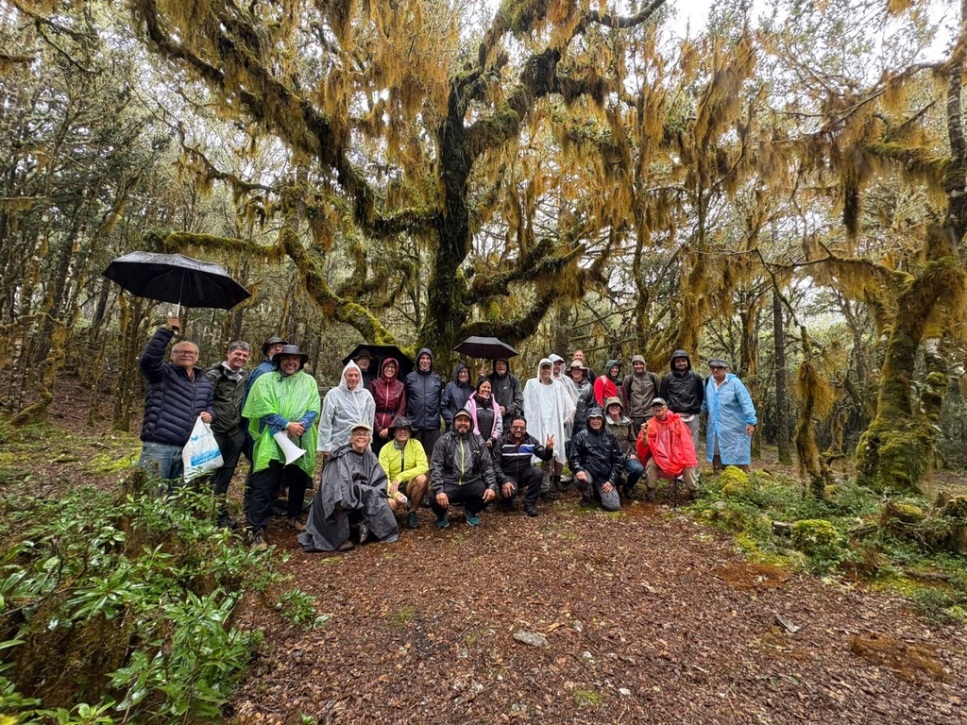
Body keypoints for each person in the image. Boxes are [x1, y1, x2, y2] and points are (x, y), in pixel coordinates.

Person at [242, 344, 320, 549]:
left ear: (300, 362)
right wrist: (286, 425)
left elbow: (314, 407)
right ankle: (256, 529)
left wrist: (300, 426)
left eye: (295, 359)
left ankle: (293, 515)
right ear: (278, 360)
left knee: (298, 480)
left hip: (301, 437)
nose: (291, 362)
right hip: (272, 438)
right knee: (265, 483)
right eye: (286, 358)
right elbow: (262, 408)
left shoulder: (308, 381)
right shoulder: (265, 380)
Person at [137, 316, 215, 487]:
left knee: (177, 500)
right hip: (159, 447)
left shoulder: (204, 383)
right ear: (172, 356)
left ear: (197, 357)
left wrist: (210, 414)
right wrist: (167, 332)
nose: (186, 354)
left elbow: (210, 404)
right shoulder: (162, 374)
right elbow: (148, 361)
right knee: (149, 496)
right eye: (181, 351)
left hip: (189, 449)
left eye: (191, 352)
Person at [299, 423, 400, 552]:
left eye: (364, 434)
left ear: (369, 439)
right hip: (339, 496)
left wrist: (365, 491)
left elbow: (378, 480)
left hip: (361, 495)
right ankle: (338, 539)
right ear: (351, 438)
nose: (361, 437)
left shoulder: (370, 457)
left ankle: (370, 528)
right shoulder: (341, 457)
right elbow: (336, 485)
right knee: (340, 499)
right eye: (357, 434)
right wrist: (356, 492)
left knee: (379, 499)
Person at [204, 340, 251, 527]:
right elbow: (202, 399)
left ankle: (220, 516)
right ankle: (201, 514)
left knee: (225, 476)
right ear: (229, 354)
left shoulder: (245, 377)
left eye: (244, 356)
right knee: (207, 474)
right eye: (237, 354)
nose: (240, 358)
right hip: (214, 432)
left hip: (235, 433)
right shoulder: (214, 375)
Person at [430, 408, 498, 529]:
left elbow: (487, 465)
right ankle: (441, 515)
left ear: (471, 424)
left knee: (489, 493)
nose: (463, 423)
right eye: (459, 420)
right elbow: (436, 467)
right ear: (454, 422)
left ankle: (470, 510)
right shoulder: (443, 441)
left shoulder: (478, 440)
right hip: (449, 482)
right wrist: (439, 490)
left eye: (466, 420)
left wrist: (492, 486)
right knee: (434, 497)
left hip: (470, 482)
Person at [523, 358, 575, 496]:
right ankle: (531, 487)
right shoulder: (531, 384)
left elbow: (569, 404)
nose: (546, 370)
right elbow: (526, 405)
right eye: (543, 368)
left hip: (552, 425)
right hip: (535, 424)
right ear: (539, 369)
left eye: (548, 368)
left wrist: (566, 416)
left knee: (548, 455)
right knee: (532, 456)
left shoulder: (558, 386)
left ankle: (545, 488)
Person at [636, 398, 700, 502]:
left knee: (688, 465)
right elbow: (645, 445)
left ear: (666, 408)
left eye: (660, 405)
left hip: (677, 455)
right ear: (652, 410)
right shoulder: (650, 424)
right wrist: (644, 435)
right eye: (655, 406)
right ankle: (650, 490)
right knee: (650, 465)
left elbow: (685, 441)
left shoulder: (676, 421)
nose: (658, 408)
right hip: (659, 456)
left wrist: (683, 455)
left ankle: (694, 491)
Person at [702, 359, 757, 472]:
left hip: (735, 427)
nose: (715, 370)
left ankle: (741, 478)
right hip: (715, 426)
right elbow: (704, 403)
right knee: (716, 451)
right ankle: (718, 474)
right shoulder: (708, 383)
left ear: (725, 369)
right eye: (713, 368)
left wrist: (750, 421)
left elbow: (746, 402)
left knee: (738, 453)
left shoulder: (735, 383)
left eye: (719, 368)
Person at [493, 416, 554, 517]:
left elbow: (545, 457)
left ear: (526, 428)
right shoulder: (501, 442)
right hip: (508, 475)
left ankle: (530, 503)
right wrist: (503, 480)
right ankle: (506, 500)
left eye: (522, 428)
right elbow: (495, 464)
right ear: (510, 427)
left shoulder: (531, 441)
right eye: (515, 427)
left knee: (537, 472)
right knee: (510, 494)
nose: (518, 430)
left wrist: (548, 449)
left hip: (524, 473)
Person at [318, 361, 376, 460]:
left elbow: (370, 420)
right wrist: (325, 446)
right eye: (350, 375)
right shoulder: (334, 394)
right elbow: (326, 421)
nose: (353, 378)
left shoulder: (366, 395)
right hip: (339, 445)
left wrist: (368, 439)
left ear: (360, 377)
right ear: (344, 377)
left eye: (356, 375)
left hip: (361, 445)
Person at [241, 335, 287, 461]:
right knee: (259, 460)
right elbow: (257, 402)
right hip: (261, 424)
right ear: (268, 352)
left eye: (281, 347)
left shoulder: (282, 371)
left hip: (277, 424)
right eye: (274, 347)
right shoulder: (263, 371)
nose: (278, 349)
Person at [378, 417, 428, 529]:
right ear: (394, 432)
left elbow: (424, 466)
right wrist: (395, 494)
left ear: (410, 432)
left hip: (408, 483)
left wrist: (401, 476)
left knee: (422, 479)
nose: (402, 432)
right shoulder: (385, 449)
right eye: (399, 429)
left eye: (406, 429)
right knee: (392, 505)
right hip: (391, 486)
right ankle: (391, 517)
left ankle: (412, 512)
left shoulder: (416, 444)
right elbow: (383, 476)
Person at [568, 407, 621, 511]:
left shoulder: (610, 435)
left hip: (606, 475)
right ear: (588, 420)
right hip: (588, 471)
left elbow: (618, 459)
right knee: (581, 480)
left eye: (598, 418)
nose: (595, 421)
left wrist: (611, 481)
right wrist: (579, 469)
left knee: (613, 506)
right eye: (592, 418)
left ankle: (599, 492)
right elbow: (574, 457)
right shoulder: (580, 436)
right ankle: (586, 494)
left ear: (603, 420)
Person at [658, 350, 704, 454]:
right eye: (678, 361)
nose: (681, 363)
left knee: (692, 442)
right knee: (674, 442)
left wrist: (696, 407)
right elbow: (663, 396)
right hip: (674, 416)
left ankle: (693, 469)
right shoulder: (668, 378)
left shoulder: (695, 377)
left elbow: (700, 395)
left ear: (688, 362)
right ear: (673, 363)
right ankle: (676, 469)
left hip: (692, 414)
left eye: (683, 360)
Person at [405, 347, 444, 457]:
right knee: (413, 456)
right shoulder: (410, 378)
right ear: (418, 360)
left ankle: (428, 475)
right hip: (414, 424)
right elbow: (406, 399)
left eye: (428, 358)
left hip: (432, 426)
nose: (425, 361)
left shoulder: (437, 378)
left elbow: (439, 400)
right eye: (422, 358)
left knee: (431, 457)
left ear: (431, 361)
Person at [603, 396, 644, 500]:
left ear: (620, 408)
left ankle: (628, 488)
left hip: (625, 454)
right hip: (609, 457)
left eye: (617, 406)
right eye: (611, 406)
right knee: (619, 477)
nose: (614, 408)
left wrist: (634, 453)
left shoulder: (627, 423)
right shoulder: (603, 423)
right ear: (607, 408)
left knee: (638, 469)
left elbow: (632, 439)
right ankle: (614, 486)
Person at [371, 357, 407, 455]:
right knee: (375, 456)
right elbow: (370, 408)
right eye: (387, 366)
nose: (389, 369)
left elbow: (401, 409)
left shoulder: (400, 386)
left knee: (391, 456)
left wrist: (390, 428)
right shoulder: (375, 384)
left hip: (392, 429)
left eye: (392, 367)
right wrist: (378, 429)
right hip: (375, 428)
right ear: (383, 368)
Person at [483, 357, 524, 428]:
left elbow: (519, 401)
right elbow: (481, 396)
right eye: (498, 364)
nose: (501, 366)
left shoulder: (514, 380)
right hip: (492, 421)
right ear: (494, 366)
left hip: (510, 422)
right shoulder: (489, 380)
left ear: (507, 366)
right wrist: (481, 378)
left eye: (503, 364)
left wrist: (507, 409)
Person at [624, 355, 661, 431]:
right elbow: (626, 398)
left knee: (653, 437)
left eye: (641, 364)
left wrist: (658, 411)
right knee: (638, 440)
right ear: (633, 365)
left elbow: (659, 395)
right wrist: (629, 415)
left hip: (651, 414)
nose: (639, 366)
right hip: (636, 416)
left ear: (644, 364)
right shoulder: (629, 379)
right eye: (636, 364)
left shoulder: (653, 377)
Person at [465, 378, 503, 449]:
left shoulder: (495, 406)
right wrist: (479, 438)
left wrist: (492, 439)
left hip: (490, 445)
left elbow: (499, 425)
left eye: (489, 388)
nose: (486, 389)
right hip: (473, 443)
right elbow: (467, 422)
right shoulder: (470, 404)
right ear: (478, 388)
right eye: (484, 387)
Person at [441, 362, 474, 431]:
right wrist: (453, 420)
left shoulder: (472, 390)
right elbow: (443, 406)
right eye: (460, 372)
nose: (463, 374)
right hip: (453, 426)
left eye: (465, 372)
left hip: (468, 427)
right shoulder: (450, 387)